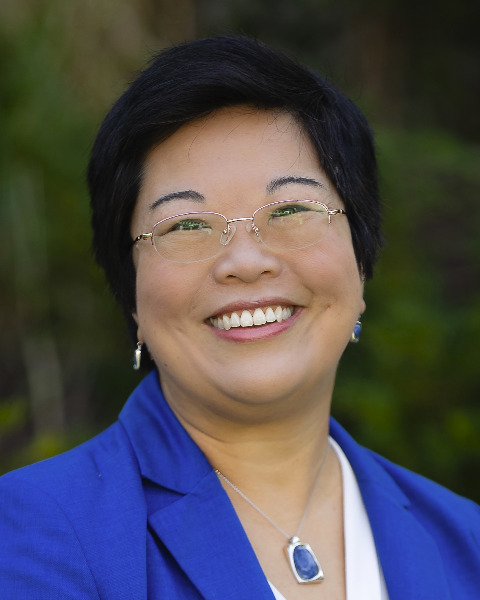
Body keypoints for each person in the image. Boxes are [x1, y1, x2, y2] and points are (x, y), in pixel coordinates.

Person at [0, 35, 478, 600]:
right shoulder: (33, 532)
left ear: (361, 258)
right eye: (186, 224)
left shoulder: (465, 543)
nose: (246, 263)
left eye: (292, 209)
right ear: (131, 295)